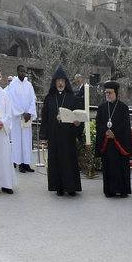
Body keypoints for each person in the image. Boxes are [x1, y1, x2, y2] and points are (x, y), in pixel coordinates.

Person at [39, 66, 83, 196]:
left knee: (69, 161)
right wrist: (44, 135)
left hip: (68, 136)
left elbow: (78, 116)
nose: (60, 83)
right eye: (58, 80)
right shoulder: (49, 98)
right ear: (54, 82)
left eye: (62, 80)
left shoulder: (72, 98)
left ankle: (71, 187)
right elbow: (45, 117)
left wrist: (77, 123)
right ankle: (58, 187)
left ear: (66, 82)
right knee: (56, 161)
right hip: (54, 135)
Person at [95, 80, 132, 198]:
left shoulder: (123, 108)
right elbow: (98, 123)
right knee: (108, 167)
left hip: (119, 143)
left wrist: (114, 133)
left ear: (116, 93)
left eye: (110, 93)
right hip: (107, 143)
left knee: (121, 167)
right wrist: (106, 132)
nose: (107, 95)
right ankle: (109, 191)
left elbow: (125, 125)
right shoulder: (101, 108)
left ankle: (123, 190)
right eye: (106, 93)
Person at [8, 65, 38, 173]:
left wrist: (29, 113)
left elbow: (32, 100)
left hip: (27, 118)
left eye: (24, 72)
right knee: (18, 141)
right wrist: (22, 113)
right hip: (18, 118)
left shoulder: (29, 85)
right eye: (21, 71)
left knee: (26, 140)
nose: (23, 73)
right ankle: (19, 163)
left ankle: (26, 163)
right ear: (17, 71)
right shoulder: (13, 85)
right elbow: (12, 101)